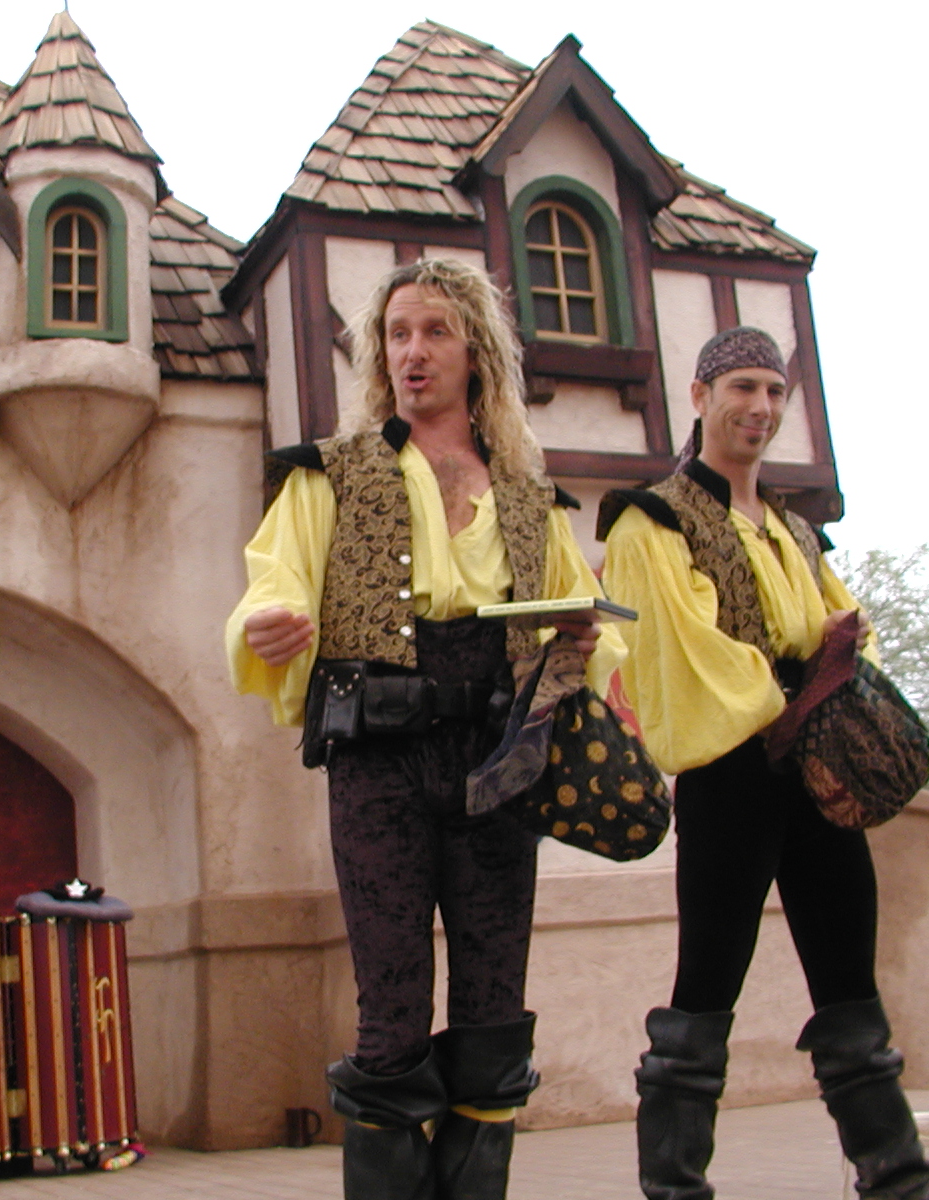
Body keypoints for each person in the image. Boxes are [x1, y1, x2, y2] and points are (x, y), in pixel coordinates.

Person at [226, 258, 623, 1200]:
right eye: (397, 333)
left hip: (500, 762)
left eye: (435, 331)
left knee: (493, 1014)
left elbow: (587, 635)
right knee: (391, 1013)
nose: (413, 350)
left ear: (475, 351)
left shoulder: (528, 495)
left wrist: (580, 635)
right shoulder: (329, 474)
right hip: (379, 760)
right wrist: (267, 626)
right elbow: (273, 584)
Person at [598, 326, 929, 1200]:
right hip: (732, 777)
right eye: (743, 386)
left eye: (775, 391)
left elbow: (847, 632)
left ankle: (896, 1181)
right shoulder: (651, 517)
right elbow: (677, 647)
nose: (761, 406)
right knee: (705, 989)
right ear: (700, 396)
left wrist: (828, 668)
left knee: (850, 989)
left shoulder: (795, 529)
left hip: (816, 776)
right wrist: (797, 680)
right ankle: (674, 1188)